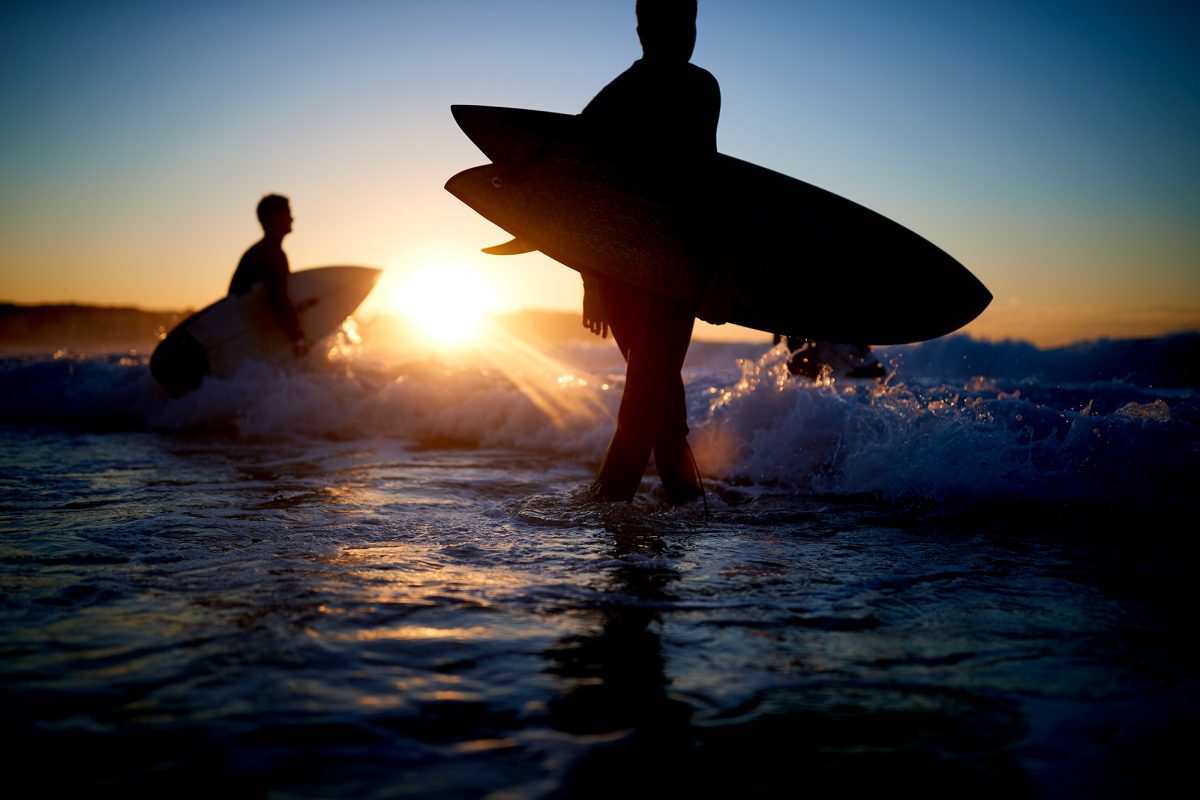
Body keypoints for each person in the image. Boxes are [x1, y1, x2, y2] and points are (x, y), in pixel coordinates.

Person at [581, 0, 719, 504]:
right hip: (620, 274)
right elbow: (581, 194)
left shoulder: (701, 88)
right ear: (641, 29)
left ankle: (655, 509)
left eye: (690, 25)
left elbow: (706, 188)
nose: (684, 36)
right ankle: (615, 510)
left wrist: (716, 275)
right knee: (651, 394)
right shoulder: (619, 97)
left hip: (673, 273)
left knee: (654, 391)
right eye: (671, 26)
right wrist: (590, 284)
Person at [229, 194, 310, 357]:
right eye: (288, 213)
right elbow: (277, 298)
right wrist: (297, 337)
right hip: (249, 326)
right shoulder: (272, 253)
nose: (292, 219)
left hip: (240, 326)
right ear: (275, 217)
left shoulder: (256, 251)